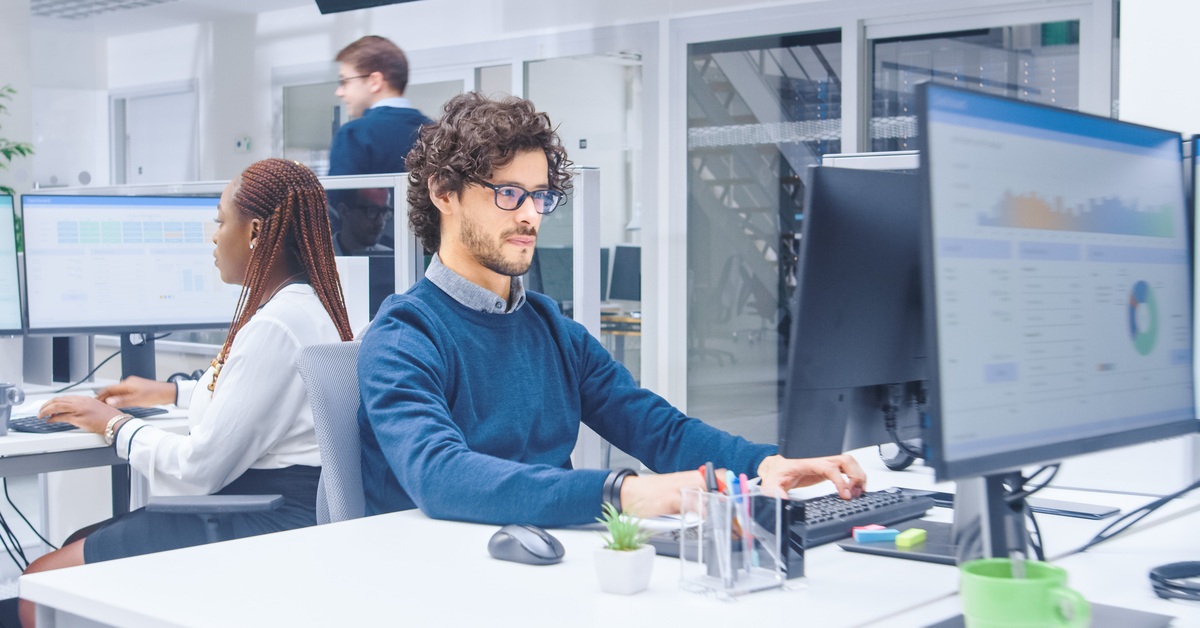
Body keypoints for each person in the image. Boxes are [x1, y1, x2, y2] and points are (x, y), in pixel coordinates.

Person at [357, 93, 866, 528]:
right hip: (440, 575)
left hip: (541, 558)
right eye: (509, 193)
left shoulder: (550, 329)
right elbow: (441, 476)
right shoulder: (405, 335)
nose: (531, 214)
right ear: (444, 193)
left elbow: (656, 429)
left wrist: (765, 464)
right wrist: (625, 493)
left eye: (540, 196)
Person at [19, 159, 355, 627]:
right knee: (79, 541)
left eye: (220, 221)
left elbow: (200, 469)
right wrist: (169, 393)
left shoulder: (276, 324)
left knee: (41, 583)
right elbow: (255, 396)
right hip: (283, 508)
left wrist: (112, 424)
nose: (213, 236)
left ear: (255, 231)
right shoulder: (304, 306)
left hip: (262, 519)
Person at [329, 36, 430, 176]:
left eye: (345, 82)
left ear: (374, 81)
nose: (339, 92)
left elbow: (338, 198)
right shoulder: (437, 132)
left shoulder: (353, 134)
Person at [332, 188, 393, 255]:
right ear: (343, 212)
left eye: (385, 211)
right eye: (372, 211)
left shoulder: (389, 257)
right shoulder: (320, 257)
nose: (380, 223)